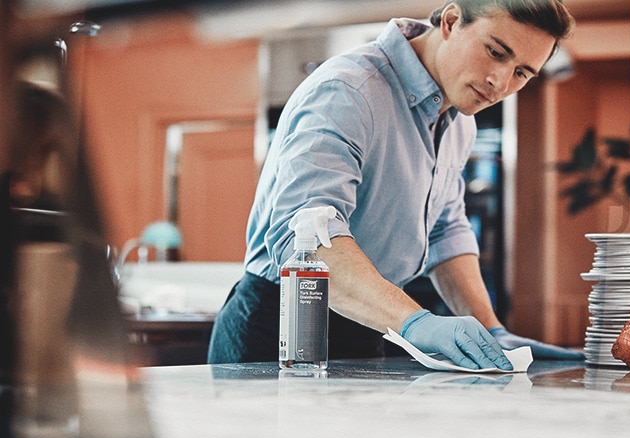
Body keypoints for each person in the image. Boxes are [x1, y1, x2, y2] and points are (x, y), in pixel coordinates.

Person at [208, 0, 584, 369]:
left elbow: (445, 231)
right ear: (452, 21)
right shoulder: (349, 91)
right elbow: (306, 238)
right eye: (496, 52)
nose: (500, 82)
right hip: (282, 326)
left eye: (521, 73)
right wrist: (416, 322)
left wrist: (491, 329)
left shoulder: (459, 120)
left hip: (373, 324)